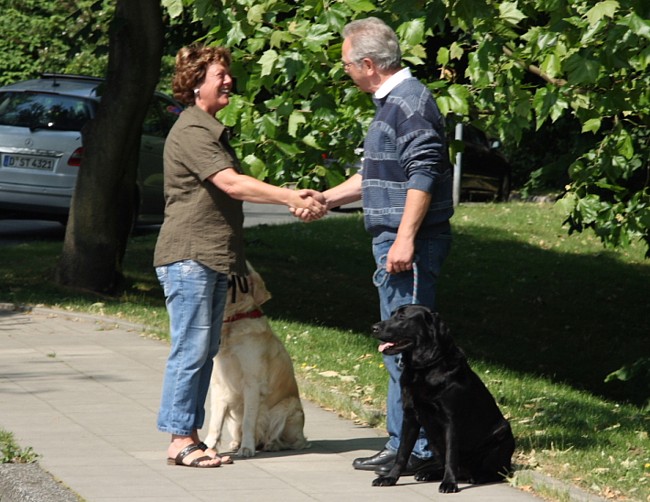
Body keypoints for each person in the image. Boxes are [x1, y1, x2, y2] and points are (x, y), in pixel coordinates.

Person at [154, 44, 326, 468]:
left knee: (203, 347)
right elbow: (232, 184)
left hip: (212, 259)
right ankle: (181, 439)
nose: (229, 80)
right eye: (219, 76)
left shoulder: (209, 128)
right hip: (189, 256)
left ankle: (189, 437)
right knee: (191, 351)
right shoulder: (193, 131)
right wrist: (289, 196)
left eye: (228, 74)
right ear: (196, 84)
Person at [296, 17, 454, 476]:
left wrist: (404, 239)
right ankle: (404, 444)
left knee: (409, 348)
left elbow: (424, 173)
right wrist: (325, 198)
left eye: (347, 63)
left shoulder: (408, 104)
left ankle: (417, 451)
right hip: (394, 241)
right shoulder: (393, 104)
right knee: (397, 347)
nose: (345, 70)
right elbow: (375, 178)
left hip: (412, 245)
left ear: (368, 64)